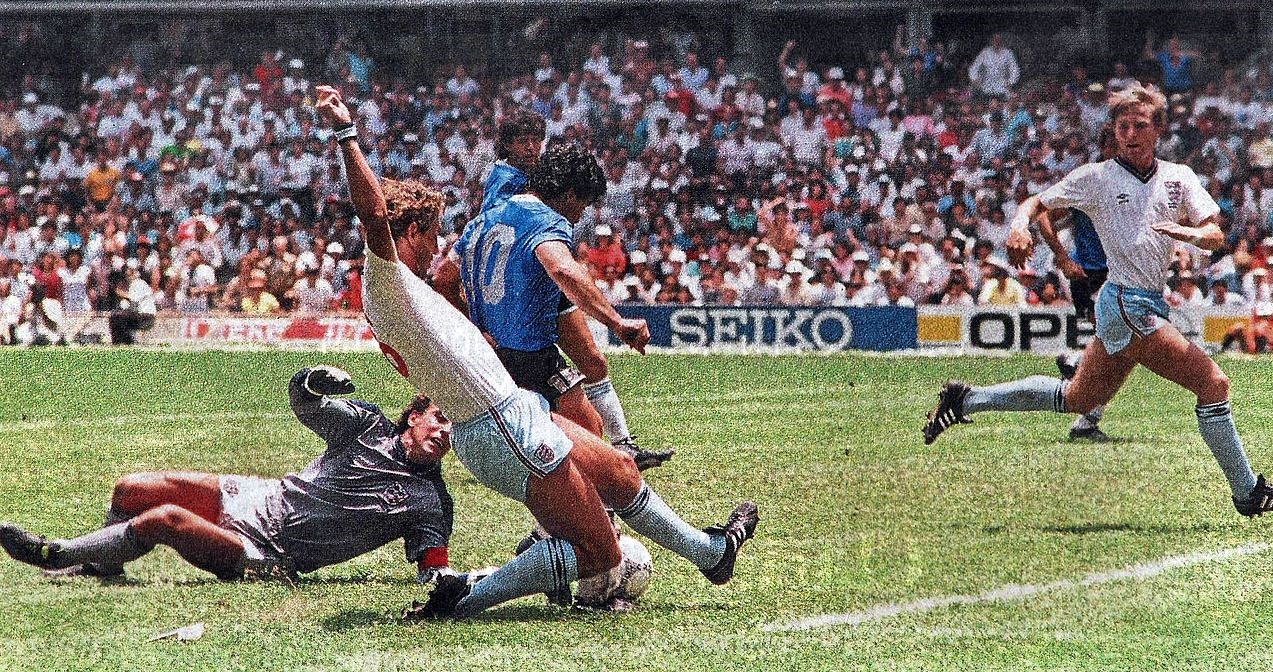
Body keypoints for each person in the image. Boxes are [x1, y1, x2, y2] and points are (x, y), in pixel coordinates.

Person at [314, 84, 758, 620]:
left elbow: (450, 286)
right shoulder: (387, 281)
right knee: (598, 555)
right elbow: (374, 213)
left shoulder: (414, 289)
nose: (436, 249)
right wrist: (346, 132)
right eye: (430, 236)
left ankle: (712, 554)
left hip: (513, 408)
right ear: (408, 232)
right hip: (498, 424)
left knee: (620, 471)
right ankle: (464, 596)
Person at [924, 85, 1273, 518]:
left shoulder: (1179, 177)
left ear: (1158, 130)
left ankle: (965, 400)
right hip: (1126, 305)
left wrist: (1191, 234)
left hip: (1135, 302)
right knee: (1214, 384)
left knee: (1077, 398)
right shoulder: (1098, 177)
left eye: (1140, 125)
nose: (1130, 134)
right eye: (1122, 126)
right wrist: (1019, 225)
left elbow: (1216, 233)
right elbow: (1036, 203)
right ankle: (1248, 492)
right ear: (1113, 131)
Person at [0, 366, 459, 585]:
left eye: (453, 428)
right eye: (439, 417)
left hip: (272, 553)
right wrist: (311, 379)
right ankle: (103, 564)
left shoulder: (431, 502)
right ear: (414, 415)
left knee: (165, 519)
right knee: (132, 488)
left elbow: (433, 569)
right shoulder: (366, 425)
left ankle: (56, 555)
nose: (443, 432)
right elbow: (305, 402)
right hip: (260, 497)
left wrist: (455, 583)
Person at [451, 109, 672, 469]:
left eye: (536, 140)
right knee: (562, 406)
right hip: (528, 287)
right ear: (507, 145)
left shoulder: (534, 178)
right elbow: (540, 254)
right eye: (522, 141)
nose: (531, 147)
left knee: (592, 362)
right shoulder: (507, 183)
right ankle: (595, 471)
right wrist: (617, 321)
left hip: (536, 287)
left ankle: (621, 447)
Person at [1036, 130, 1117, 442]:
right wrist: (1062, 257)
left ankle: (1077, 365)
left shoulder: (1134, 182)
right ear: (1106, 147)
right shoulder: (1088, 181)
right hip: (1091, 275)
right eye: (1117, 144)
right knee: (1116, 346)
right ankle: (1085, 419)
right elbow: (1043, 215)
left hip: (1118, 274)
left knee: (1116, 347)